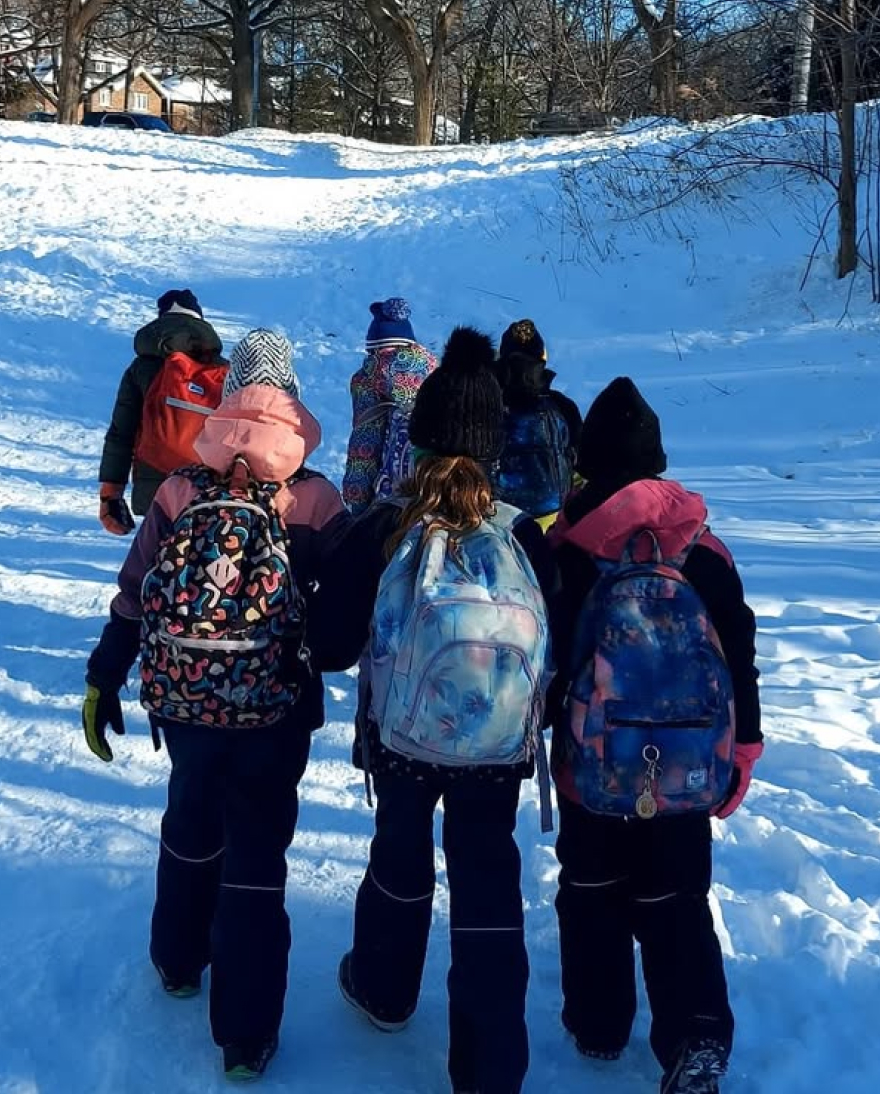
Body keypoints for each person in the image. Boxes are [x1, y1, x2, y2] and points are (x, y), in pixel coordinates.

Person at [82, 328, 344, 1081]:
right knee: (257, 848)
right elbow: (340, 620)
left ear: (226, 404)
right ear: (292, 405)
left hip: (185, 698)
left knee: (191, 813)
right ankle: (245, 1035)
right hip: (275, 708)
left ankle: (176, 959)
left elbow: (136, 594)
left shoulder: (178, 490)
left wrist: (105, 675)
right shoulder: (314, 498)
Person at [310, 328, 565, 1094]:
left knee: (400, 851)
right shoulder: (522, 536)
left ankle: (384, 989)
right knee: (487, 873)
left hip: (402, 740)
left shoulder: (384, 527)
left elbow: (329, 644)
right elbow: (560, 637)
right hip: (497, 742)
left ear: (417, 440)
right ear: (492, 451)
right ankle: (490, 1068)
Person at [544, 377, 764, 1094]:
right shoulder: (704, 551)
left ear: (587, 463)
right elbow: (738, 657)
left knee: (590, 889)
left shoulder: (569, 549)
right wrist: (743, 750)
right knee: (677, 899)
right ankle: (695, 1035)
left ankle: (599, 1024)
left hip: (592, 764)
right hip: (688, 763)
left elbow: (551, 658)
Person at [98, 288, 227, 534]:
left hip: (155, 486)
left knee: (159, 554)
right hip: (209, 488)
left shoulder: (141, 369)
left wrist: (110, 494)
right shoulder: (223, 371)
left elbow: (121, 434)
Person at [342, 297, 436, 515]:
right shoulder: (435, 372)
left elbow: (365, 443)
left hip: (389, 502)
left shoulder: (368, 378)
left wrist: (357, 500)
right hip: (433, 493)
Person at [492, 319, 582, 530]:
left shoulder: (487, 404)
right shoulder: (562, 406)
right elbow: (582, 464)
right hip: (554, 522)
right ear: (543, 358)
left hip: (499, 522)